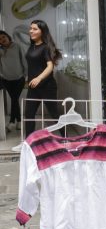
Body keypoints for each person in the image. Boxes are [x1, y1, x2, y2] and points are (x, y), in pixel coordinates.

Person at [13, 20, 63, 152]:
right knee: (29, 114)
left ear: (42, 31)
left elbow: (50, 66)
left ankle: (65, 139)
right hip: (33, 87)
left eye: (34, 29)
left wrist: (39, 78)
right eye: (30, 29)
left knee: (54, 114)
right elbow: (33, 66)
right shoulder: (32, 46)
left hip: (47, 86)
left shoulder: (45, 47)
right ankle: (28, 144)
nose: (31, 31)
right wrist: (28, 79)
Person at [0, 30, 27, 132]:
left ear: (7, 36)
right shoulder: (0, 50)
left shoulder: (17, 46)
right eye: (0, 39)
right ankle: (19, 121)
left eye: (3, 37)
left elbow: (24, 60)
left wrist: (25, 75)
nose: (2, 40)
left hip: (19, 78)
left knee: (14, 99)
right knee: (14, 99)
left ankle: (12, 122)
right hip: (6, 79)